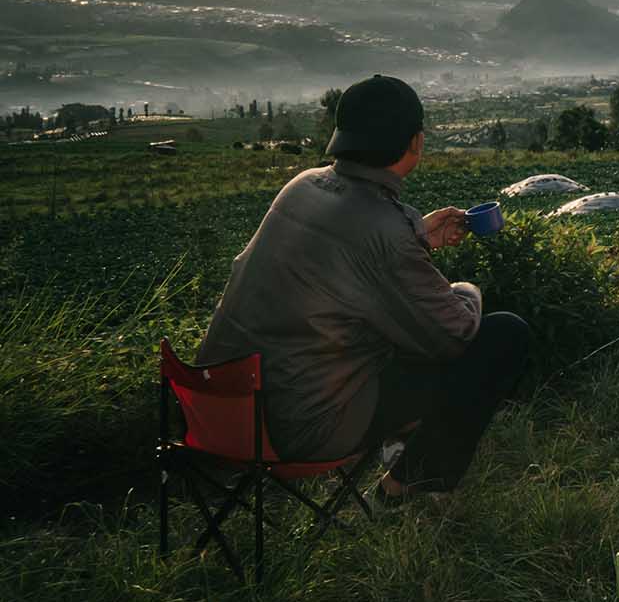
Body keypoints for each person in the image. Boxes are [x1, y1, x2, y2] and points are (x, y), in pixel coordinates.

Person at [196, 74, 531, 500]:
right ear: (415, 142)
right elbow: (453, 335)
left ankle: (399, 454)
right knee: (501, 335)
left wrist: (415, 239)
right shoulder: (382, 231)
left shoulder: (303, 186)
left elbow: (343, 264)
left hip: (221, 409)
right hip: (298, 426)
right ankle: (407, 486)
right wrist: (467, 291)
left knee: (395, 328)